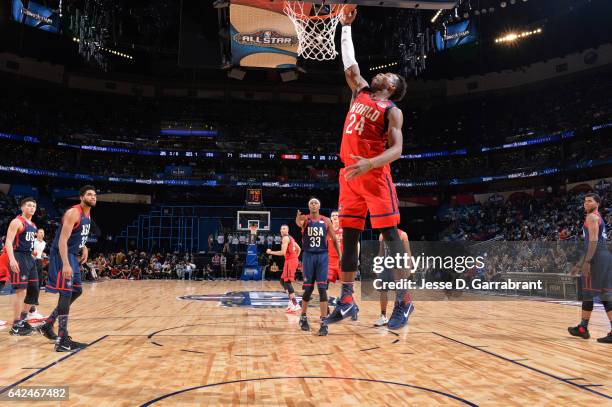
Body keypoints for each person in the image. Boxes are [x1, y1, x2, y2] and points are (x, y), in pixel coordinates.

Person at [327, 8, 413, 331]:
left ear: (392, 88)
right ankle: (347, 299)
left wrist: (370, 163)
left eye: (388, 78)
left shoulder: (392, 111)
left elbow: (397, 149)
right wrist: (345, 28)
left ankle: (405, 300)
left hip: (374, 176)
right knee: (349, 236)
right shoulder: (360, 90)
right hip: (350, 176)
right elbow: (350, 65)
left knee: (389, 237)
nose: (382, 76)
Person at [38, 185, 96, 351]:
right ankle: (62, 340)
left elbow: (79, 235)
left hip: (72, 255)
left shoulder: (88, 214)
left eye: (95, 195)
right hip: (62, 255)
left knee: (77, 291)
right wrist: (65, 263)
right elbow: (63, 240)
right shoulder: (73, 213)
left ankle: (48, 324)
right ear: (81, 197)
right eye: (90, 195)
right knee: (66, 293)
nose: (93, 197)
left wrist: (84, 247)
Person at [567, 193, 612, 343]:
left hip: (596, 258)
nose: (586, 203)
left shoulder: (591, 217)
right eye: (585, 201)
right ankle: (583, 328)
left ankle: (583, 328)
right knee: (606, 295)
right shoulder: (598, 217)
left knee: (587, 294)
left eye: (590, 201)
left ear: (597, 203)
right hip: (605, 256)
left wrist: (585, 263)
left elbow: (592, 242)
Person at [295, 198, 341, 336]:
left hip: (322, 257)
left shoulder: (326, 221)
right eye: (311, 203)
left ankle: (324, 322)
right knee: (308, 289)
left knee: (322, 289)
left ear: (319, 206)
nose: (314, 205)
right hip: (308, 256)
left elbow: (333, 239)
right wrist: (298, 218)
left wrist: (341, 256)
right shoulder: (305, 219)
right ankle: (303, 317)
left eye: (316, 203)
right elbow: (299, 223)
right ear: (309, 206)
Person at [0, 197, 39, 336]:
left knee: (34, 290)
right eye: (29, 205)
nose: (32, 208)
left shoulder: (33, 225)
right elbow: (9, 242)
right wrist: (12, 259)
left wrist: (33, 252)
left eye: (34, 206)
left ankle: (23, 319)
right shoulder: (17, 221)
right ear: (22, 208)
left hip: (29, 258)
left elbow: (27, 242)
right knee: (21, 291)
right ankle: (16, 325)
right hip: (18, 257)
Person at [374, 228, 412, 327]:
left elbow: (408, 252)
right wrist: (377, 265)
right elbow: (381, 253)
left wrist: (409, 267)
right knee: (383, 291)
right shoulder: (382, 235)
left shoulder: (403, 234)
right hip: (386, 266)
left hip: (399, 266)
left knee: (399, 291)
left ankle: (401, 311)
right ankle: (383, 316)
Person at [267, 225, 302, 314]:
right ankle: (291, 301)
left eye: (284, 229)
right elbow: (299, 249)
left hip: (290, 261)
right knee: (282, 281)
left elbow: (282, 252)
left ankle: (295, 304)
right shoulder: (291, 238)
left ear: (288, 230)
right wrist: (295, 259)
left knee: (287, 282)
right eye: (281, 229)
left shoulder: (285, 238)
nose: (282, 230)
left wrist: (271, 252)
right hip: (292, 260)